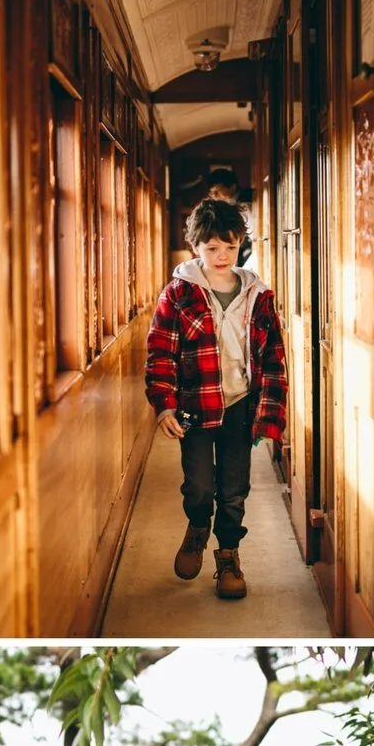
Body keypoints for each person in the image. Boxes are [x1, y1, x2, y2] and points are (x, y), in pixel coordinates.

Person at [145, 197, 288, 602]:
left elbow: (273, 355)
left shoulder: (258, 295)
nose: (221, 256)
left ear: (240, 243)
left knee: (233, 487)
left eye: (229, 247)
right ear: (196, 248)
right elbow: (160, 351)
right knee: (200, 486)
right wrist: (165, 404)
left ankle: (228, 555)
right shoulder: (179, 293)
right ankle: (196, 529)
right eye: (211, 249)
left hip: (241, 404)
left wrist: (270, 412)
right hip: (195, 402)